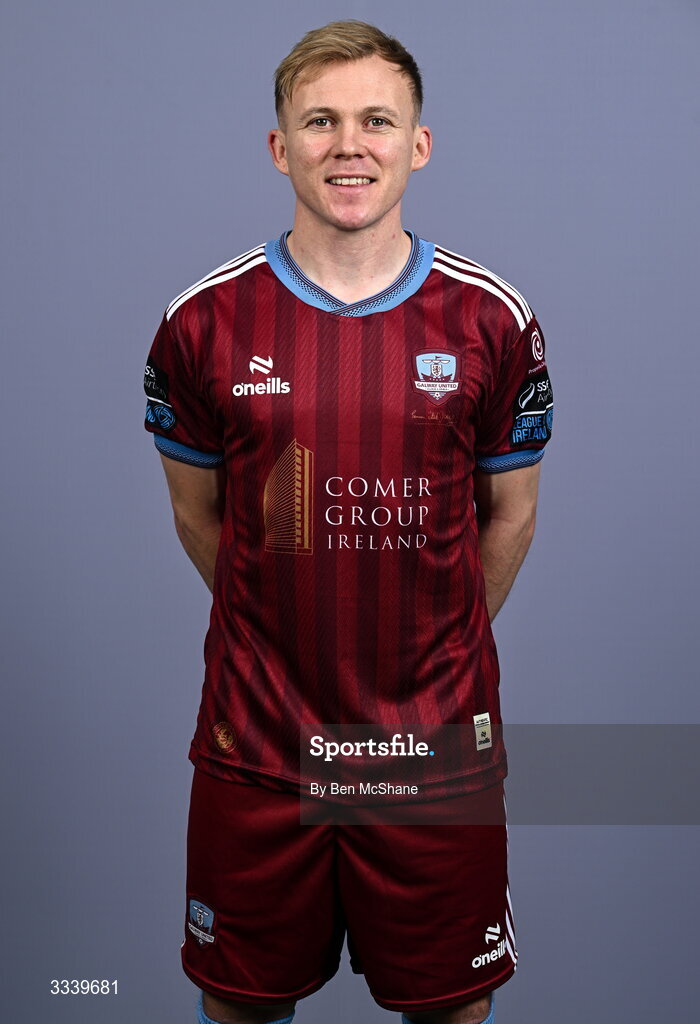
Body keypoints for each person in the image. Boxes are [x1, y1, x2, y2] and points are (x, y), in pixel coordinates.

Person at [143, 19, 553, 1024]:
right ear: (281, 147)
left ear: (417, 143)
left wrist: (429, 645)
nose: (347, 144)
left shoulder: (491, 320)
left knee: (450, 1006)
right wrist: (280, 626)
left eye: (376, 119)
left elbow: (511, 516)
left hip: (431, 747)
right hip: (259, 742)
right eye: (319, 121)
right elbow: (203, 519)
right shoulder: (202, 322)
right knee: (239, 1005)